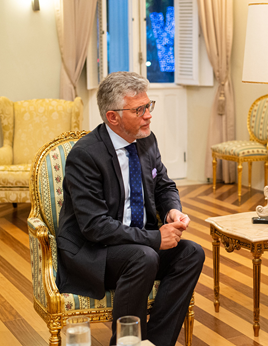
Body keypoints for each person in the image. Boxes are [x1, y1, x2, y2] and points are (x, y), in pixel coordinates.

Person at [56, 71, 205, 346]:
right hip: (95, 252)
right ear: (113, 117)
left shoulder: (147, 140)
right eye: (140, 109)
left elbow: (164, 186)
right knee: (144, 256)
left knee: (192, 253)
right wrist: (156, 238)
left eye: (149, 106)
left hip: (139, 245)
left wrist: (172, 210)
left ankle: (156, 342)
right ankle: (127, 342)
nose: (148, 115)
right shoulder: (86, 156)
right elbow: (94, 227)